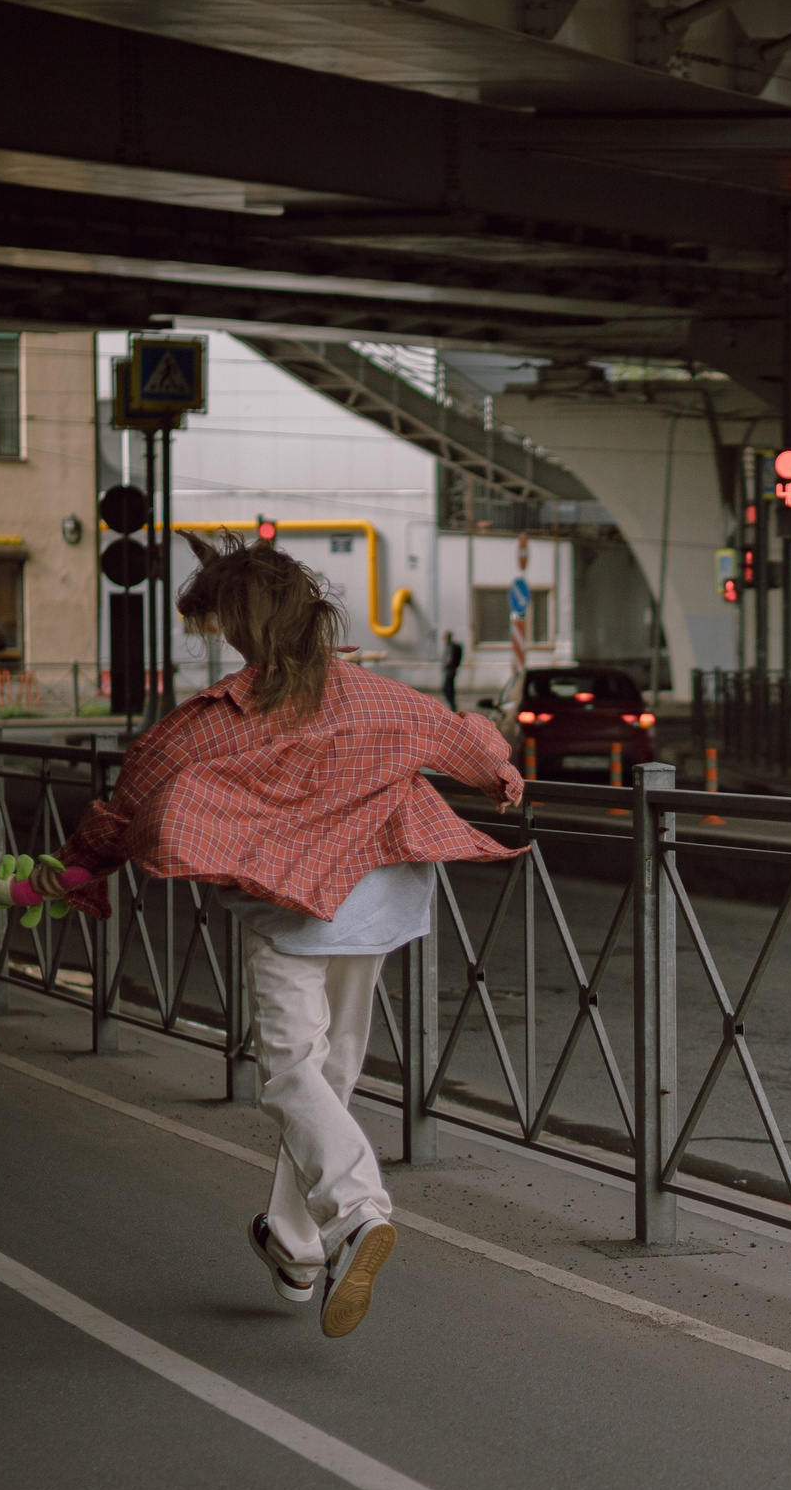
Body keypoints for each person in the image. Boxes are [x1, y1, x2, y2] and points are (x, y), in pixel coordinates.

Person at [40, 533, 523, 1339]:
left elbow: (130, 799)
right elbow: (458, 739)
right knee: (333, 1073)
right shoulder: (373, 695)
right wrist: (501, 776)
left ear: (245, 629)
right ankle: (298, 1246)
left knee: (290, 1073)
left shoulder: (211, 724)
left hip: (291, 909)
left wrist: (76, 869)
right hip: (374, 902)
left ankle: (359, 1212)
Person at [439, 630, 463, 712]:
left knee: (447, 688)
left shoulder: (452, 647)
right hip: (449, 670)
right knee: (449, 688)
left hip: (450, 670)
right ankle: (452, 705)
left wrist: (450, 666)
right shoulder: (449, 646)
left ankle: (453, 705)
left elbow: (450, 659)